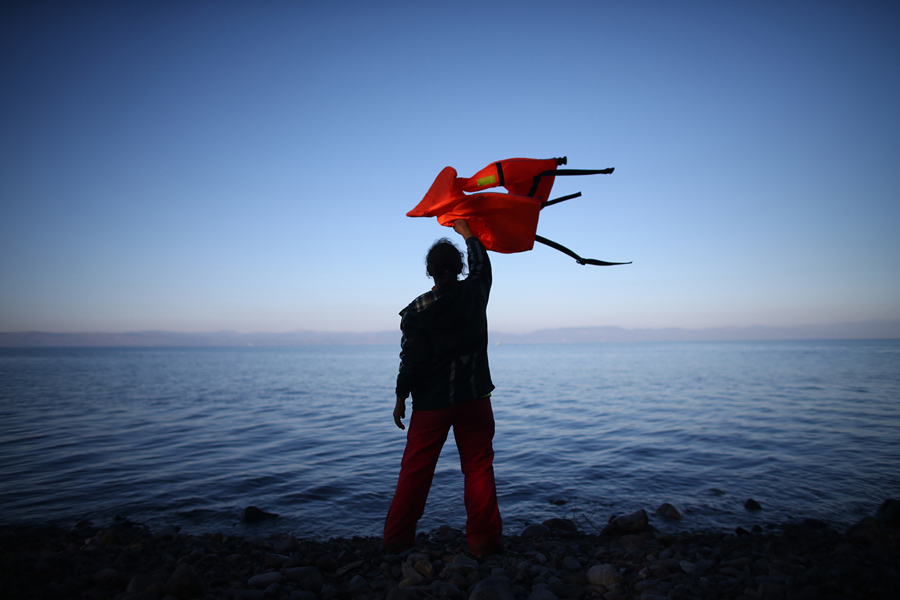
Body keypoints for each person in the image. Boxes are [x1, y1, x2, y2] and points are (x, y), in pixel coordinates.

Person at [383, 219, 503, 555]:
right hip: (475, 399)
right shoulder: (475, 292)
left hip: (431, 404)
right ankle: (484, 543)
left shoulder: (418, 311)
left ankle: (396, 541)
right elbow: (482, 265)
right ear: (458, 268)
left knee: (415, 472)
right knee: (478, 469)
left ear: (430, 272)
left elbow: (412, 359)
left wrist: (400, 396)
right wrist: (467, 233)